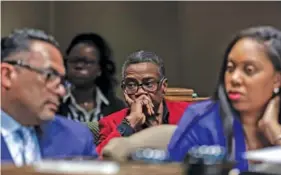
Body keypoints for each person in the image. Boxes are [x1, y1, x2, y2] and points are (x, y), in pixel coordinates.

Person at [168, 26, 281, 172]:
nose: (234, 79)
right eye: (230, 68)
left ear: (277, 80)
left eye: (249, 70)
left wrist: (275, 132)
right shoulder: (202, 121)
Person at [1, 28, 97, 166]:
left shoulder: (76, 139)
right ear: (7, 75)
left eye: (63, 81)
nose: (62, 91)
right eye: (50, 75)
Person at [97, 50, 191, 154]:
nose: (140, 92)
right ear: (124, 90)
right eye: (131, 85)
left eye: (148, 84)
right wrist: (130, 122)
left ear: (163, 86)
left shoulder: (189, 114)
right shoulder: (110, 123)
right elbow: (99, 161)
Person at [58, 33, 125, 122]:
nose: (79, 66)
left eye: (86, 62)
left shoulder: (117, 108)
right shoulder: (55, 103)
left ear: (100, 69)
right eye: (74, 61)